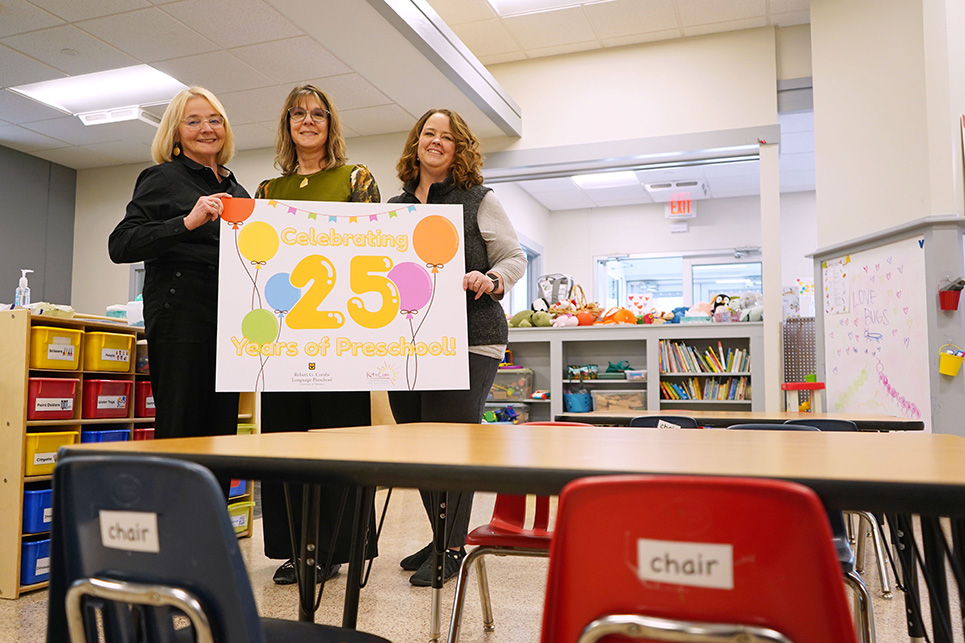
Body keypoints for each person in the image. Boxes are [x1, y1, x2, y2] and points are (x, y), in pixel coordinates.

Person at [387, 108, 527, 586]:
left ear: (459, 147)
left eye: (447, 136)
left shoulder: (478, 198)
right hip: (409, 344)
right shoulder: (396, 206)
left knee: (449, 446)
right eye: (428, 132)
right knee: (419, 446)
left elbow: (513, 257)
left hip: (471, 338)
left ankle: (450, 548)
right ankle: (440, 533)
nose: (436, 141)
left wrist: (488, 278)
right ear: (416, 142)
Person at [255, 85, 381, 586]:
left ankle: (336, 549)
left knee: (338, 444)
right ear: (287, 124)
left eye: (318, 114)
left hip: (339, 337)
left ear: (331, 123)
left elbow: (375, 246)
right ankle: (295, 549)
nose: (308, 121)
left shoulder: (354, 178)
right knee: (285, 445)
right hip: (284, 342)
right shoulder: (266, 191)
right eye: (297, 114)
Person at [108, 87, 246, 491]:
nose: (207, 128)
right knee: (182, 428)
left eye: (215, 119)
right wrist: (186, 221)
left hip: (229, 324)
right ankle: (176, 537)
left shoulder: (238, 191)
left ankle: (212, 537)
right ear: (175, 132)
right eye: (194, 120)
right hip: (181, 316)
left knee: (221, 435)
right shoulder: (162, 178)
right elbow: (121, 244)